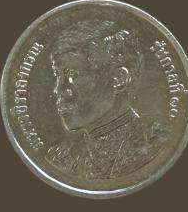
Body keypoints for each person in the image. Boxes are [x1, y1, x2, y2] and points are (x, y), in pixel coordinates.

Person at [46, 19, 168, 179]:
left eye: (72, 74)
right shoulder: (63, 159)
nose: (58, 90)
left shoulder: (156, 144)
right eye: (57, 75)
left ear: (119, 79)